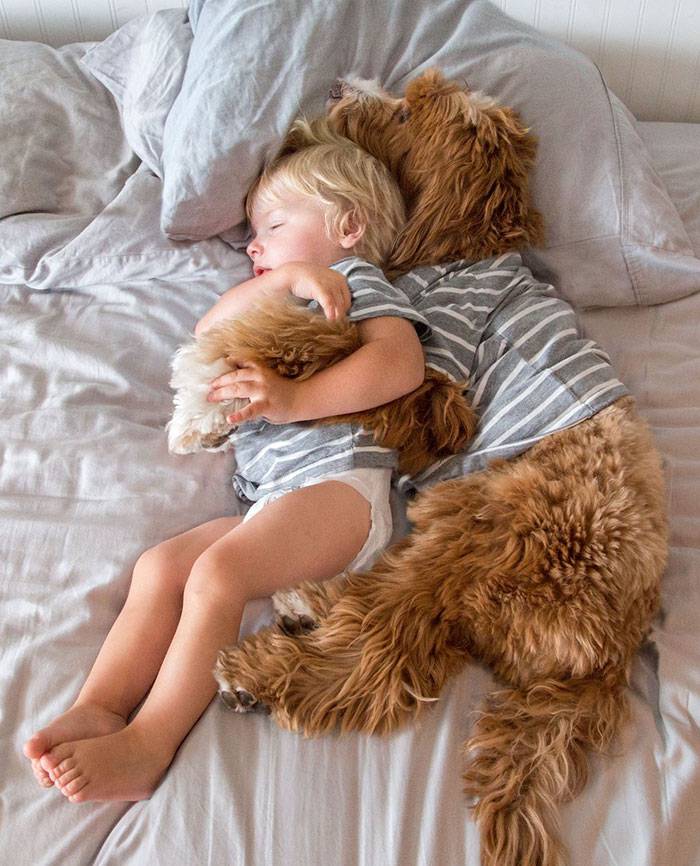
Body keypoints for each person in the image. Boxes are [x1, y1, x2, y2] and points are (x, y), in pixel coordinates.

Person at [23, 120, 431, 803]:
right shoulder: (292, 288)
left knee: (219, 574)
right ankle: (101, 703)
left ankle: (150, 742)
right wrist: (287, 274)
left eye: (274, 226)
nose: (252, 245)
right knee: (162, 568)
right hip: (279, 499)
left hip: (343, 488)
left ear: (349, 226)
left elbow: (399, 364)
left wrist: (294, 400)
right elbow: (208, 328)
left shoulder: (353, 280)